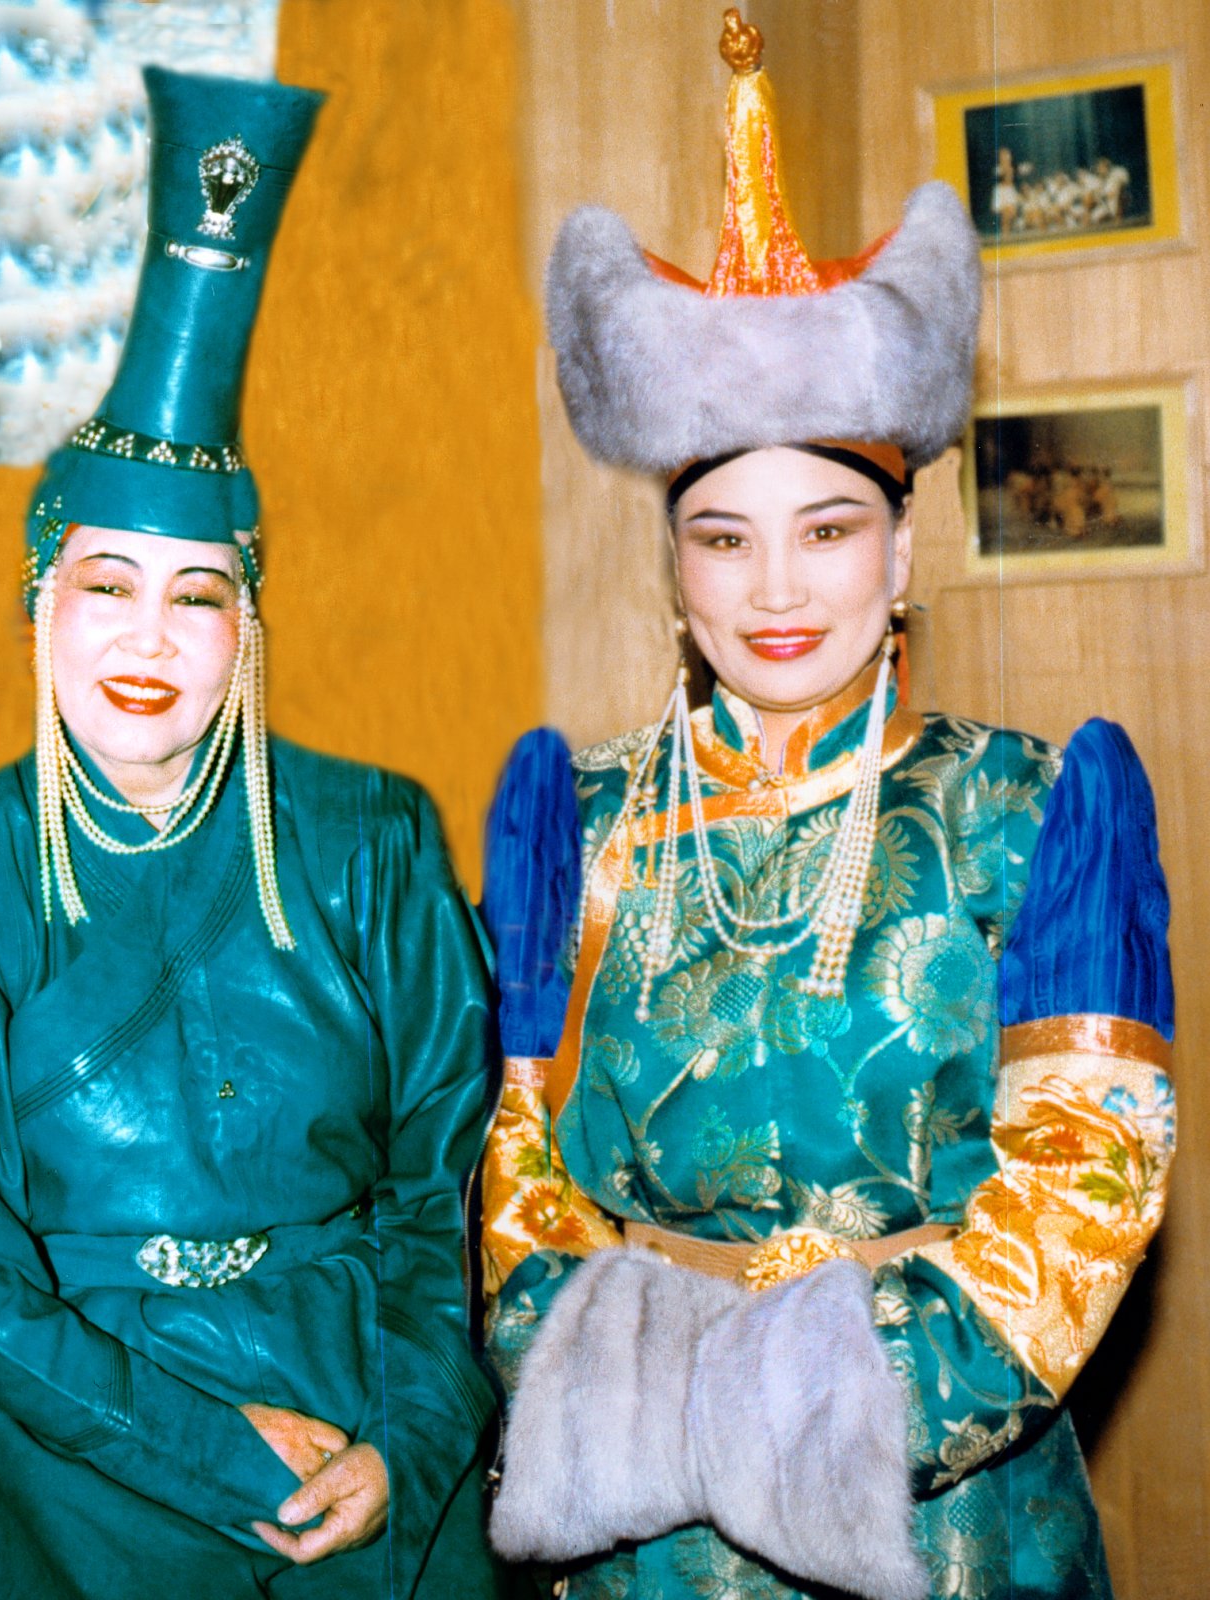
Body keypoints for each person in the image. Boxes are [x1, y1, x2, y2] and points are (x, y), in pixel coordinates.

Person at [478, 16, 1174, 1600]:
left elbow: (1085, 1192)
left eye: (829, 528)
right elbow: (519, 1179)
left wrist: (783, 1427)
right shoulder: (573, 824)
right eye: (723, 537)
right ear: (675, 571)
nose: (776, 589)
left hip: (944, 1525)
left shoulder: (1035, 812)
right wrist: (630, 1424)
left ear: (902, 551)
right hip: (642, 1527)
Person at [0, 66, 502, 1600]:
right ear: (39, 607)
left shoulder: (373, 840)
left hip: (365, 1422)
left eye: (196, 594)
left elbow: (444, 1187)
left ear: (245, 629)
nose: (149, 635)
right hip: (71, 1458)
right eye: (107, 585)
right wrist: (215, 1449)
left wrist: (411, 1437)